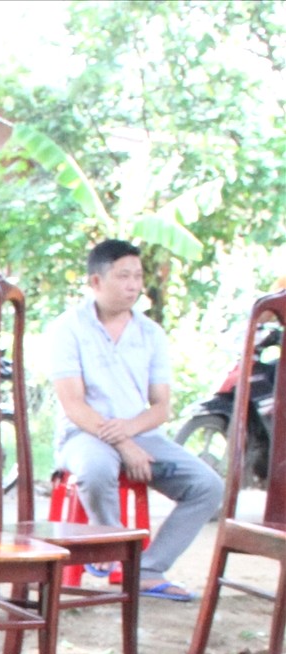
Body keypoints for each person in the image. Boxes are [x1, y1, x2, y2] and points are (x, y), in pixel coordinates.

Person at [50, 239, 223, 601]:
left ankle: (147, 569)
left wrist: (130, 433)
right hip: (84, 433)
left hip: (141, 433)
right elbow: (73, 404)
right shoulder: (68, 328)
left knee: (208, 486)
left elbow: (161, 407)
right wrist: (123, 443)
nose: (133, 285)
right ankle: (107, 544)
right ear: (96, 282)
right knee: (96, 469)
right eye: (123, 276)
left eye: (137, 276)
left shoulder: (151, 334)